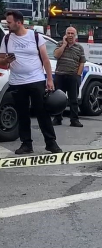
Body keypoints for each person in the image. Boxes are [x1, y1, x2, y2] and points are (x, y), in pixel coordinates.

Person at [0, 10, 62, 154]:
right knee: (22, 114)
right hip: (16, 82)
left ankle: (51, 143)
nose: (7, 24)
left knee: (42, 112)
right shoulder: (7, 39)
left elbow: (46, 59)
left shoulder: (35, 36)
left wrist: (50, 79)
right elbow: (1, 59)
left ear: (18, 22)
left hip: (36, 80)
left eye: (9, 22)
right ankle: (26, 144)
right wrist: (6, 60)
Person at [52, 27, 85, 127]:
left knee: (73, 99)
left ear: (75, 35)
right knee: (58, 99)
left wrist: (78, 75)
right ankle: (57, 119)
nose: (70, 35)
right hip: (60, 75)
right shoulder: (59, 44)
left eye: (72, 33)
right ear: (65, 35)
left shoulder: (79, 48)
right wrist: (64, 45)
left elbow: (82, 62)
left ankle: (74, 120)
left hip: (72, 76)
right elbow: (56, 55)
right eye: (68, 33)